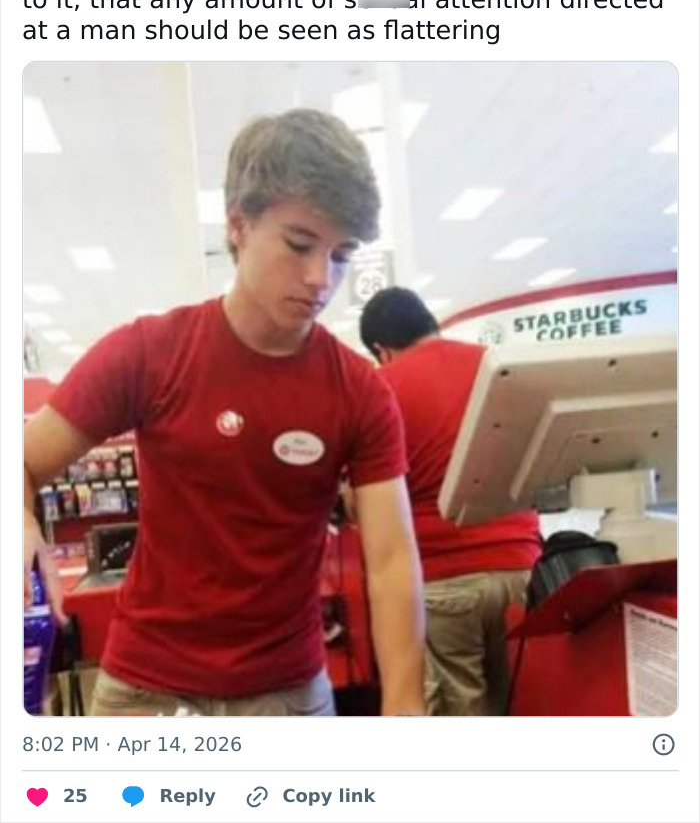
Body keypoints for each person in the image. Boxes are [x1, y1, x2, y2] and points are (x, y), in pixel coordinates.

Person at [24, 110, 425, 716]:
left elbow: (393, 559)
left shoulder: (359, 392)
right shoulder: (149, 353)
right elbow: (22, 463)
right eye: (299, 244)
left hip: (287, 695)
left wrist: (405, 708)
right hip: (146, 691)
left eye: (342, 254)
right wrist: (22, 526)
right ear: (238, 224)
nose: (321, 277)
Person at [359, 287, 542, 716]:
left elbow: (363, 498)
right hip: (523, 569)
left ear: (382, 350)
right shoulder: (500, 368)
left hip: (444, 578)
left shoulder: (382, 388)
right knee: (520, 705)